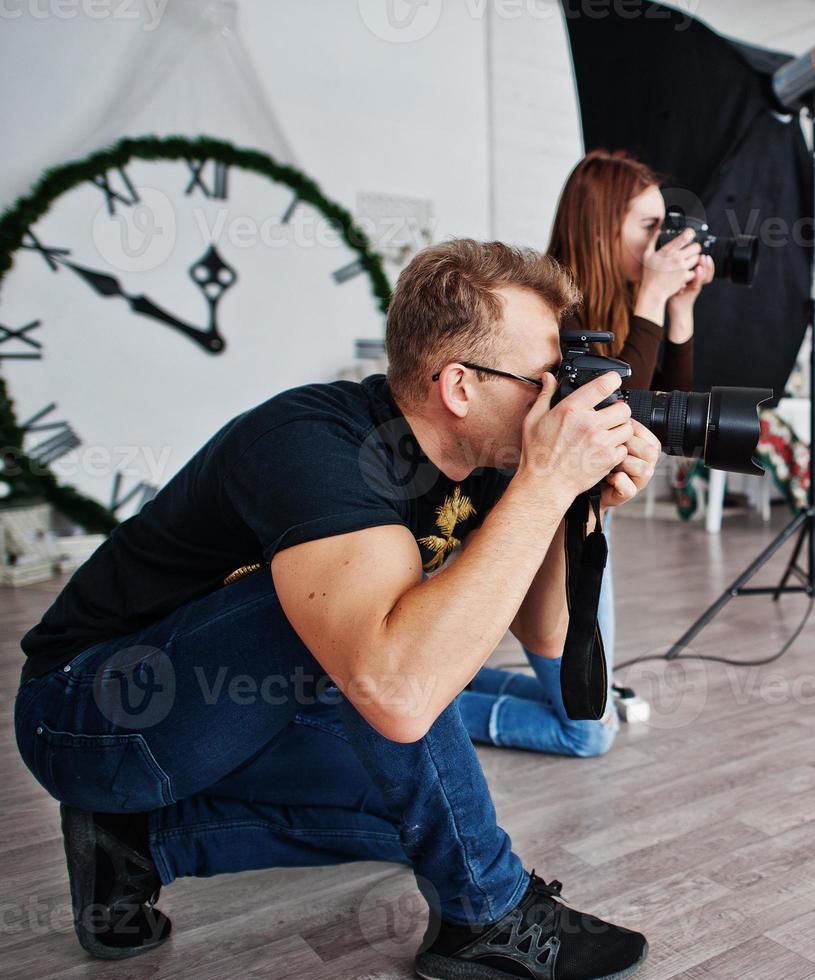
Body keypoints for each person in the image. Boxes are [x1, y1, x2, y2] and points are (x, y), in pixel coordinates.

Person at [12, 240, 658, 980]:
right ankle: (486, 913)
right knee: (386, 649)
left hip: (226, 713)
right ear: (457, 385)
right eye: (545, 380)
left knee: (420, 817)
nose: (565, 401)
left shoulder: (485, 463)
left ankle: (134, 837)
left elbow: (542, 631)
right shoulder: (311, 444)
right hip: (88, 711)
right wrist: (544, 485)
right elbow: (398, 692)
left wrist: (568, 502)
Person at [457, 150, 712, 756]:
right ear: (602, 228)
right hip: (541, 528)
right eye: (650, 228)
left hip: (589, 519)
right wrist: (652, 296)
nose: (665, 241)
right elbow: (614, 410)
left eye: (665, 226)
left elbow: (662, 413)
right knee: (586, 733)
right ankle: (388, 693)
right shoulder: (551, 318)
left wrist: (678, 307)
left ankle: (419, 681)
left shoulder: (623, 301)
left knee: (586, 704)